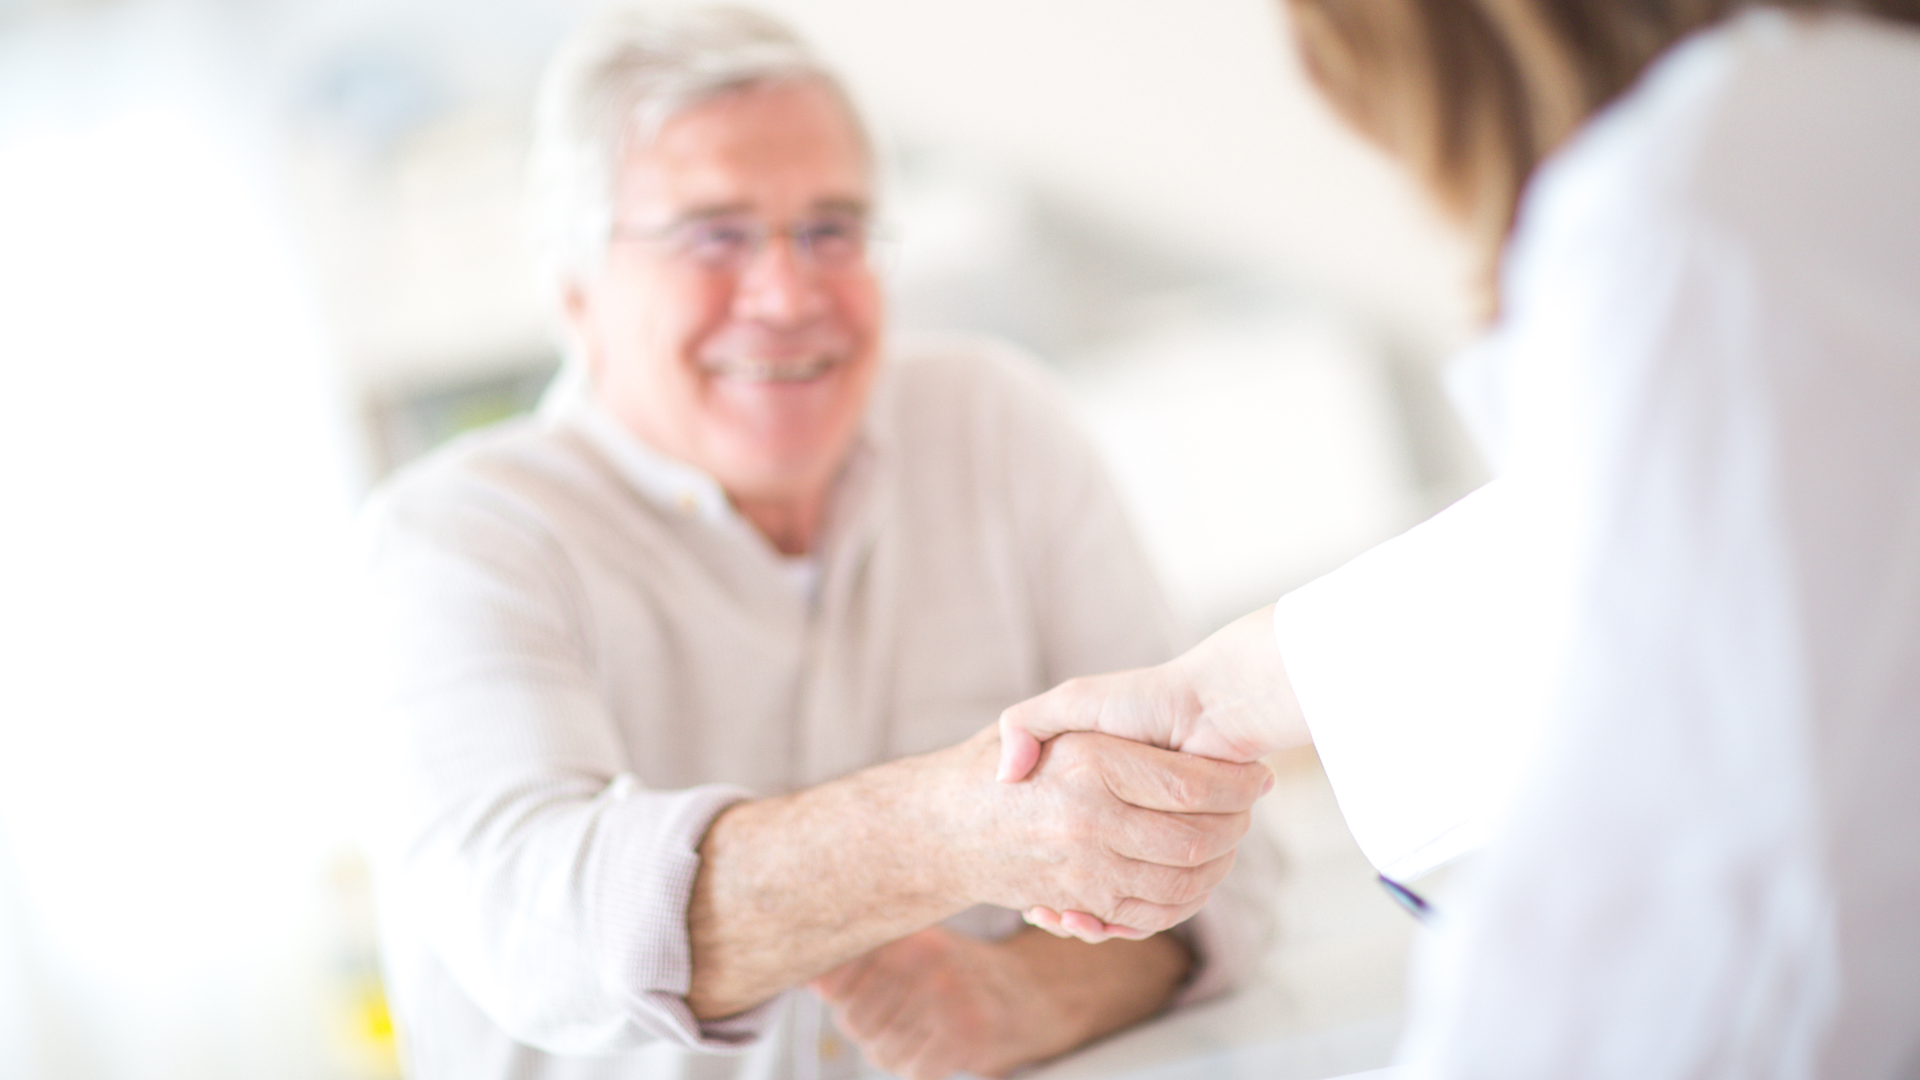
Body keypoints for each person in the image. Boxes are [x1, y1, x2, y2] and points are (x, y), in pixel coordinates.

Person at [356, 7, 1281, 1080]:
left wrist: (1026, 995)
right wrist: (954, 826)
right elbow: (538, 934)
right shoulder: (454, 538)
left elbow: (1231, 868)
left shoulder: (996, 427)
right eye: (713, 235)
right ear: (576, 288)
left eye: (832, 228)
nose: (789, 294)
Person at [998, 0, 1920, 1075]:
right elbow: (1665, 536)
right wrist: (1221, 694)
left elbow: (1708, 897)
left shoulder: (1694, 204)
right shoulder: (1835, 123)